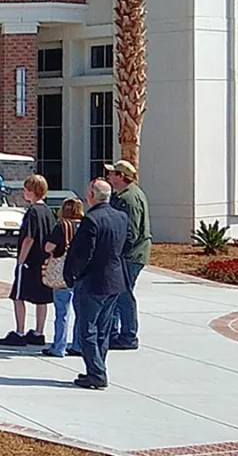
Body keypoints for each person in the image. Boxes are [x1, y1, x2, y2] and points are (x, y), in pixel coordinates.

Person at [61, 179, 127, 389]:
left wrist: (72, 274)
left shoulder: (91, 220)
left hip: (92, 282)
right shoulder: (121, 217)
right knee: (103, 330)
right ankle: (97, 368)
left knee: (87, 329)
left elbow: (82, 254)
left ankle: (97, 373)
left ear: (91, 195)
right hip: (114, 281)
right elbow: (128, 243)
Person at [4, 173, 54, 345]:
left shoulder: (32, 212)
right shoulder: (48, 211)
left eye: (25, 189)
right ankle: (39, 332)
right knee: (42, 298)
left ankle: (19, 332)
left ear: (32, 191)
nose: (23, 192)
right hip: (44, 261)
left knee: (18, 296)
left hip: (29, 262)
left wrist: (20, 261)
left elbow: (29, 238)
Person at [107, 159, 150, 350]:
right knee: (118, 293)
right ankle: (113, 333)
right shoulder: (123, 195)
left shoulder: (129, 199)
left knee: (124, 295)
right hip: (129, 254)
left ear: (121, 177)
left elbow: (130, 232)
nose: (109, 176)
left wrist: (117, 254)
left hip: (130, 255)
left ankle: (128, 336)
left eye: (112, 173)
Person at [44, 198, 82, 356]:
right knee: (81, 313)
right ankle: (78, 345)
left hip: (63, 274)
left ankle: (59, 346)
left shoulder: (62, 226)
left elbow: (48, 247)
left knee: (62, 313)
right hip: (81, 273)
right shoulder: (85, 225)